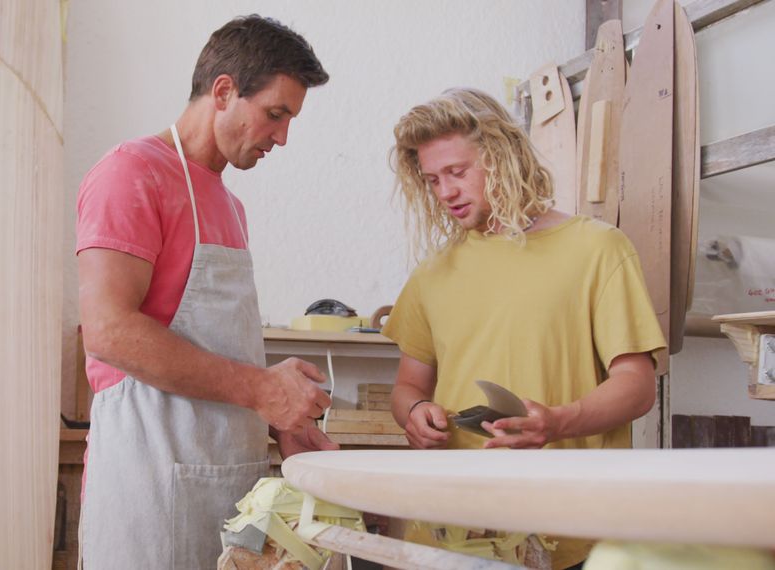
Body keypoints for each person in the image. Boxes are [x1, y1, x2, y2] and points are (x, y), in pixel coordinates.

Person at [75, 15, 336, 569]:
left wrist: (281, 416)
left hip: (226, 488)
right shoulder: (132, 173)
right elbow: (109, 331)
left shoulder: (230, 207)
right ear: (223, 91)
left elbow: (214, 350)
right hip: (146, 484)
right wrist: (260, 388)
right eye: (275, 114)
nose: (283, 137)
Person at [383, 87, 667, 569]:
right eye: (432, 180)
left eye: (457, 172)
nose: (446, 192)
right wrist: (415, 412)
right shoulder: (432, 273)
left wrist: (557, 422)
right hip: (453, 529)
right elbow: (408, 387)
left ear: (502, 157)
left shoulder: (597, 249)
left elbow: (637, 387)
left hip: (571, 530)